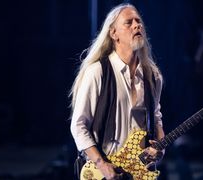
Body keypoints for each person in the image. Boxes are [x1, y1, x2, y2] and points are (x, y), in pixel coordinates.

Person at [69, 3, 165, 180]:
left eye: (138, 21)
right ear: (114, 34)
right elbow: (78, 125)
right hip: (104, 170)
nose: (137, 25)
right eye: (129, 22)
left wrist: (160, 146)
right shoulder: (97, 72)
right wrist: (101, 164)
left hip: (139, 171)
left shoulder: (153, 76)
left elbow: (156, 117)